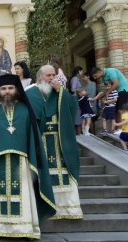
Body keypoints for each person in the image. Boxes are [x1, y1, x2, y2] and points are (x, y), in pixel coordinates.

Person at [0, 74, 56, 240]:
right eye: (3, 89)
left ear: (17, 89)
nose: (7, 92)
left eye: (10, 88)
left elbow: (33, 138)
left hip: (22, 162)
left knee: (23, 194)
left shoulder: (26, 110)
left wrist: (34, 159)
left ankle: (24, 229)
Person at [26, 65, 83, 220]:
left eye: (53, 75)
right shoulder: (30, 93)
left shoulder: (61, 91)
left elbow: (73, 107)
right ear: (39, 77)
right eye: (48, 75)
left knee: (63, 172)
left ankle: (67, 209)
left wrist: (61, 92)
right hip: (41, 139)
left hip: (60, 140)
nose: (52, 78)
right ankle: (46, 208)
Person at [90, 66, 128, 135]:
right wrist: (101, 95)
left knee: (120, 110)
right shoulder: (104, 77)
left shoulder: (110, 71)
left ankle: (121, 129)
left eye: (95, 76)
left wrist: (107, 92)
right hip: (117, 92)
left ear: (99, 71)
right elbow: (108, 89)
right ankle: (117, 128)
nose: (95, 78)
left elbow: (116, 84)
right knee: (115, 110)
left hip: (123, 90)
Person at [69, 66, 84, 135]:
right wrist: (81, 89)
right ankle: (79, 136)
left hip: (75, 99)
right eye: (81, 71)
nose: (82, 73)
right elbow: (73, 89)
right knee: (78, 120)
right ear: (79, 71)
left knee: (77, 119)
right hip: (75, 100)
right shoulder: (75, 78)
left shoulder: (74, 78)